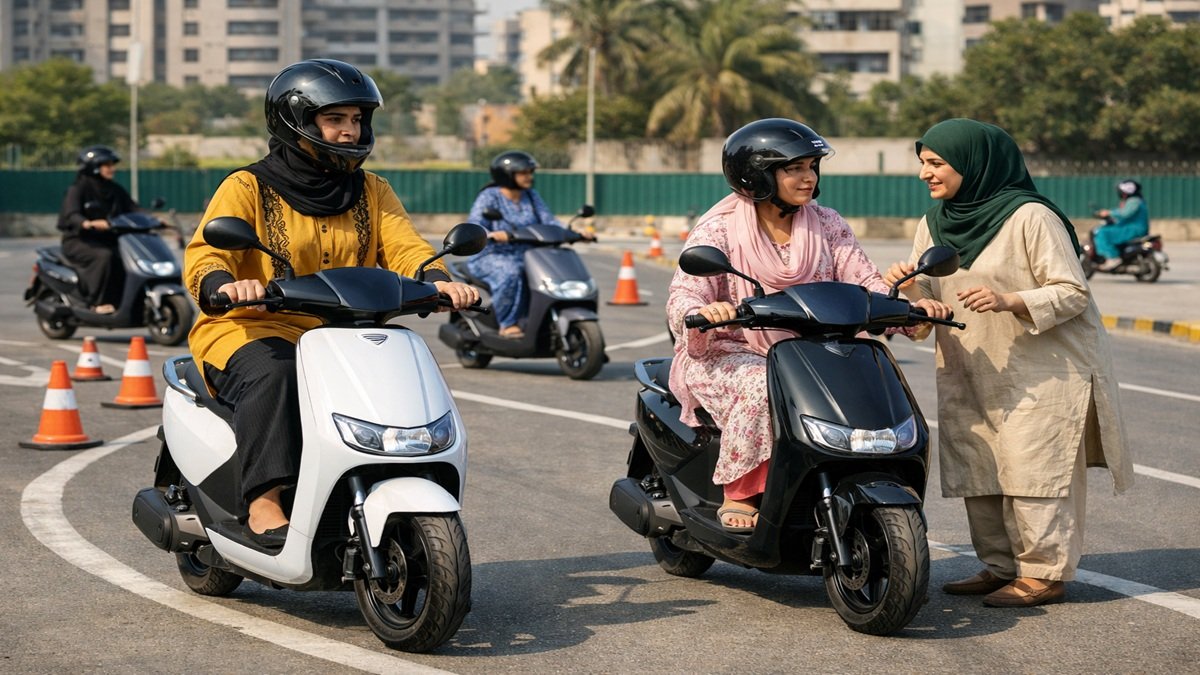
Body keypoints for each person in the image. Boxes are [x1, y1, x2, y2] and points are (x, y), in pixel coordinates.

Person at [184, 59, 479, 548]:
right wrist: (226, 283)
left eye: (356, 120)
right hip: (253, 328)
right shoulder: (248, 187)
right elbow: (209, 250)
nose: (349, 131)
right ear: (296, 121)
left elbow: (404, 245)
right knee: (274, 374)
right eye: (335, 119)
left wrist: (439, 279)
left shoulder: (371, 189)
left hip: (343, 333)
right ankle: (264, 502)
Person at [883, 118, 1133, 607]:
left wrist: (1010, 299)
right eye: (923, 164)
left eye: (935, 164)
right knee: (982, 466)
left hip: (1043, 369)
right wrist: (909, 290)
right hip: (971, 365)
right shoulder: (933, 224)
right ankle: (999, 566)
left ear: (974, 163)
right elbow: (925, 312)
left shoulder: (1030, 217)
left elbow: (1071, 292)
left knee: (1033, 466)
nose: (924, 175)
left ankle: (1043, 572)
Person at [665, 118, 950, 533]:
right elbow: (685, 293)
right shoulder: (719, 228)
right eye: (793, 168)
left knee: (873, 375)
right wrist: (707, 312)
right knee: (764, 385)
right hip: (735, 351)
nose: (808, 177)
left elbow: (864, 280)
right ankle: (740, 491)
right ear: (758, 174)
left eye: (812, 166)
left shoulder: (828, 223)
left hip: (815, 348)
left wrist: (911, 311)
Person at [466, 150, 588, 338]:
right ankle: (507, 323)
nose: (529, 177)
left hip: (528, 254)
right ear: (507, 175)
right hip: (492, 254)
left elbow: (549, 221)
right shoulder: (490, 196)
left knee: (550, 272)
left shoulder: (531, 195)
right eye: (523, 173)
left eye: (530, 172)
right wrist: (493, 234)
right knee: (512, 272)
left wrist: (575, 233)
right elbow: (476, 225)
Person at [57, 145, 138, 313]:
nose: (112, 169)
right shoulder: (77, 189)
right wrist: (87, 223)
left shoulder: (114, 189)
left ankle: (123, 301)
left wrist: (156, 219)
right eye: (107, 165)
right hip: (78, 240)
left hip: (106, 239)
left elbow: (133, 208)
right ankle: (97, 302)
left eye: (112, 165)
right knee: (104, 257)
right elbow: (71, 214)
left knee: (127, 256)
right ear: (93, 167)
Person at [1094, 179, 1149, 270]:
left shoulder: (1134, 201)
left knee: (1102, 232)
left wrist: (1109, 213)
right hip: (1132, 227)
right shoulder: (1138, 200)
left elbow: (1125, 213)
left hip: (1133, 229)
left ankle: (1113, 257)